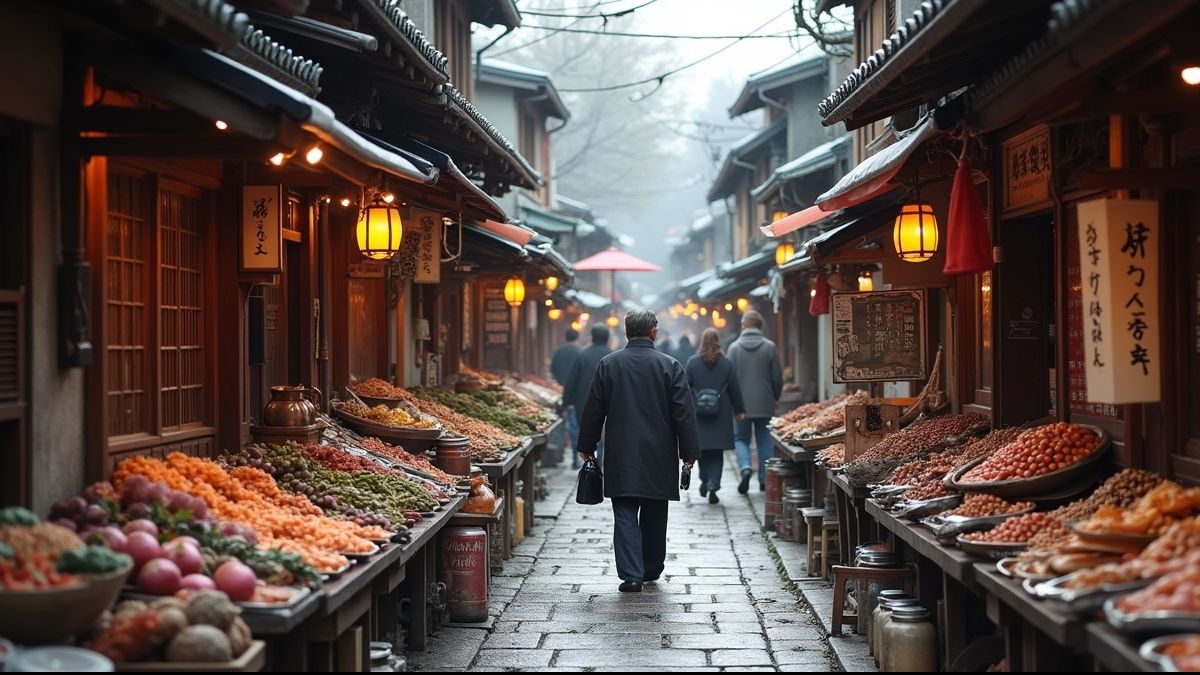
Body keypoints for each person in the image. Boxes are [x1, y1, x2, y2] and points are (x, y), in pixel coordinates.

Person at [576, 308, 700, 593]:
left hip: (621, 452)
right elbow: (684, 413)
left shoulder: (609, 364)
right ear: (654, 331)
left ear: (626, 332)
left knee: (625, 512)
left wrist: (587, 445)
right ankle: (651, 567)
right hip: (659, 453)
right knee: (656, 511)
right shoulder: (670, 366)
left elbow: (594, 409)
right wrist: (689, 453)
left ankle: (631, 575)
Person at [685, 328, 745, 504]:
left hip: (699, 414)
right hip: (721, 414)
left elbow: (685, 388)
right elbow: (734, 389)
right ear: (718, 341)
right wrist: (739, 410)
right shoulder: (726, 363)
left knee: (701, 451)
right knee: (717, 453)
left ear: (701, 342)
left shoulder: (692, 363)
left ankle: (705, 479)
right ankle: (713, 483)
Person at [727, 310, 783, 493]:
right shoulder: (770, 347)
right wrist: (774, 397)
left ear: (743, 325)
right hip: (764, 402)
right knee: (764, 441)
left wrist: (732, 403)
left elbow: (729, 378)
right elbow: (777, 377)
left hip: (740, 405)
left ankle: (745, 467)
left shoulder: (734, 348)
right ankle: (764, 480)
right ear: (760, 326)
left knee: (740, 438)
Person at [563, 324, 612, 466]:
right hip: (609, 405)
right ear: (608, 338)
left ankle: (589, 462)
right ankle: (602, 465)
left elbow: (571, 381)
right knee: (605, 437)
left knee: (586, 433)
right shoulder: (614, 356)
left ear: (592, 337)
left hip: (583, 404)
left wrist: (566, 402)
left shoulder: (582, 355)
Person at [550, 328, 583, 464]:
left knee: (561, 426)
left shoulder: (559, 352)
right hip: (577, 395)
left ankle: (559, 455)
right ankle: (576, 459)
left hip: (560, 392)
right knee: (575, 428)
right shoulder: (581, 352)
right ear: (577, 338)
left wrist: (560, 384)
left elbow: (553, 370)